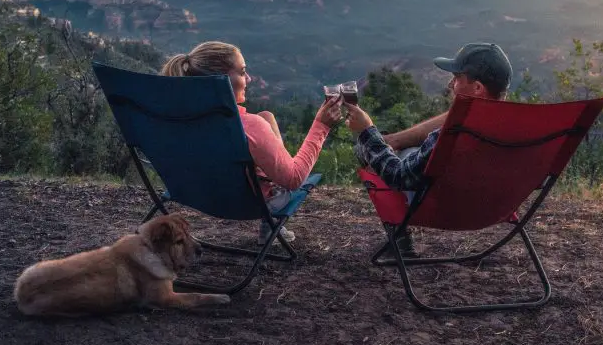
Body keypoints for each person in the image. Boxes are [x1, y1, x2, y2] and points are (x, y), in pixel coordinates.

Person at [161, 41, 343, 245]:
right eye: (242, 72)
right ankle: (271, 220)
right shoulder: (249, 127)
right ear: (222, 79)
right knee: (282, 167)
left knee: (267, 116)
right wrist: (321, 125)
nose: (248, 79)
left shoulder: (174, 118)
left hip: (193, 193)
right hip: (245, 202)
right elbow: (293, 179)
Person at [345, 43, 513, 255]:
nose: (451, 84)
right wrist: (394, 140)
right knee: (398, 148)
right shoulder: (521, 129)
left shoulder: (452, 136)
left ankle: (400, 240)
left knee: (367, 149)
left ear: (477, 88)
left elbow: (398, 175)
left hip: (444, 207)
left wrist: (367, 131)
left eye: (457, 78)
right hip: (495, 207)